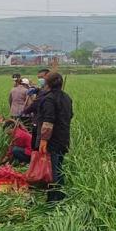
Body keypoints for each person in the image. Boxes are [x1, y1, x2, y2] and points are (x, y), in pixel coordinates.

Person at [34, 72, 73, 202]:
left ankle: (53, 199)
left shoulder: (49, 99)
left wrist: (44, 140)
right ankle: (61, 195)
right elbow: (70, 116)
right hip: (64, 137)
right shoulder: (66, 97)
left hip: (52, 139)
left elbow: (48, 121)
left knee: (52, 170)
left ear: (48, 84)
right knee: (58, 167)